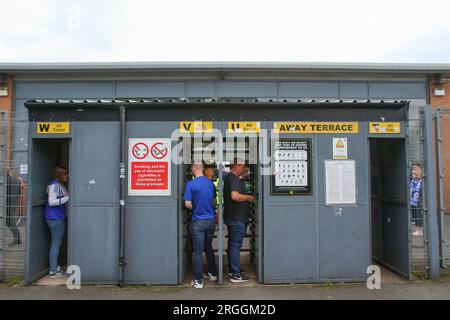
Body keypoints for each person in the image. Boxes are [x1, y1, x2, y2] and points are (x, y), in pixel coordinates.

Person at [183, 163, 217, 289]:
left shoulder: (191, 184)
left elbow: (187, 204)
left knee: (197, 252)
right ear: (202, 169)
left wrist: (195, 208)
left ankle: (198, 280)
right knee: (208, 247)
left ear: (194, 169)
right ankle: (213, 274)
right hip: (210, 220)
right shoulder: (211, 184)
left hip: (198, 221)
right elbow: (214, 201)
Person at [223, 158, 255, 283]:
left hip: (232, 217)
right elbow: (234, 196)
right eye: (243, 167)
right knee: (236, 245)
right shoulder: (234, 178)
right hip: (237, 218)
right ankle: (236, 275)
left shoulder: (229, 178)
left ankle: (233, 269)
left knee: (232, 245)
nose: (245, 169)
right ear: (236, 166)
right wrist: (248, 197)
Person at [44, 166, 69, 277]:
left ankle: (55, 267)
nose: (67, 176)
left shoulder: (56, 185)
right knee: (56, 244)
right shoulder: (55, 185)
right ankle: (53, 271)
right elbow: (52, 202)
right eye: (65, 174)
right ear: (60, 175)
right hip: (55, 218)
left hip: (56, 217)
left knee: (56, 243)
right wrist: (67, 198)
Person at [6, 168, 24, 247]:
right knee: (9, 221)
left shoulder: (6, 180)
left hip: (8, 204)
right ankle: (17, 240)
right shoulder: (16, 180)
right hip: (13, 203)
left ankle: (17, 240)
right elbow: (19, 191)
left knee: (10, 221)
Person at [410, 163, 423, 236]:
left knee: (419, 214)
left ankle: (419, 230)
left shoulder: (421, 181)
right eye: (413, 168)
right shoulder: (413, 180)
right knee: (415, 215)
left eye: (416, 168)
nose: (413, 171)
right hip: (413, 200)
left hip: (419, 200)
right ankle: (417, 230)